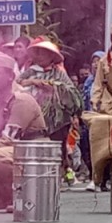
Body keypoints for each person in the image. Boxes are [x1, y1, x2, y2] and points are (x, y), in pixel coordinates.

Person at [20, 40, 83, 173]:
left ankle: (59, 173)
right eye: (38, 53)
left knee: (58, 148)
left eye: (44, 53)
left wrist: (53, 86)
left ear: (51, 56)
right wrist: (33, 82)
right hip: (34, 117)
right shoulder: (30, 71)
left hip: (57, 119)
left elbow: (71, 91)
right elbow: (17, 83)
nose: (40, 55)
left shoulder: (59, 73)